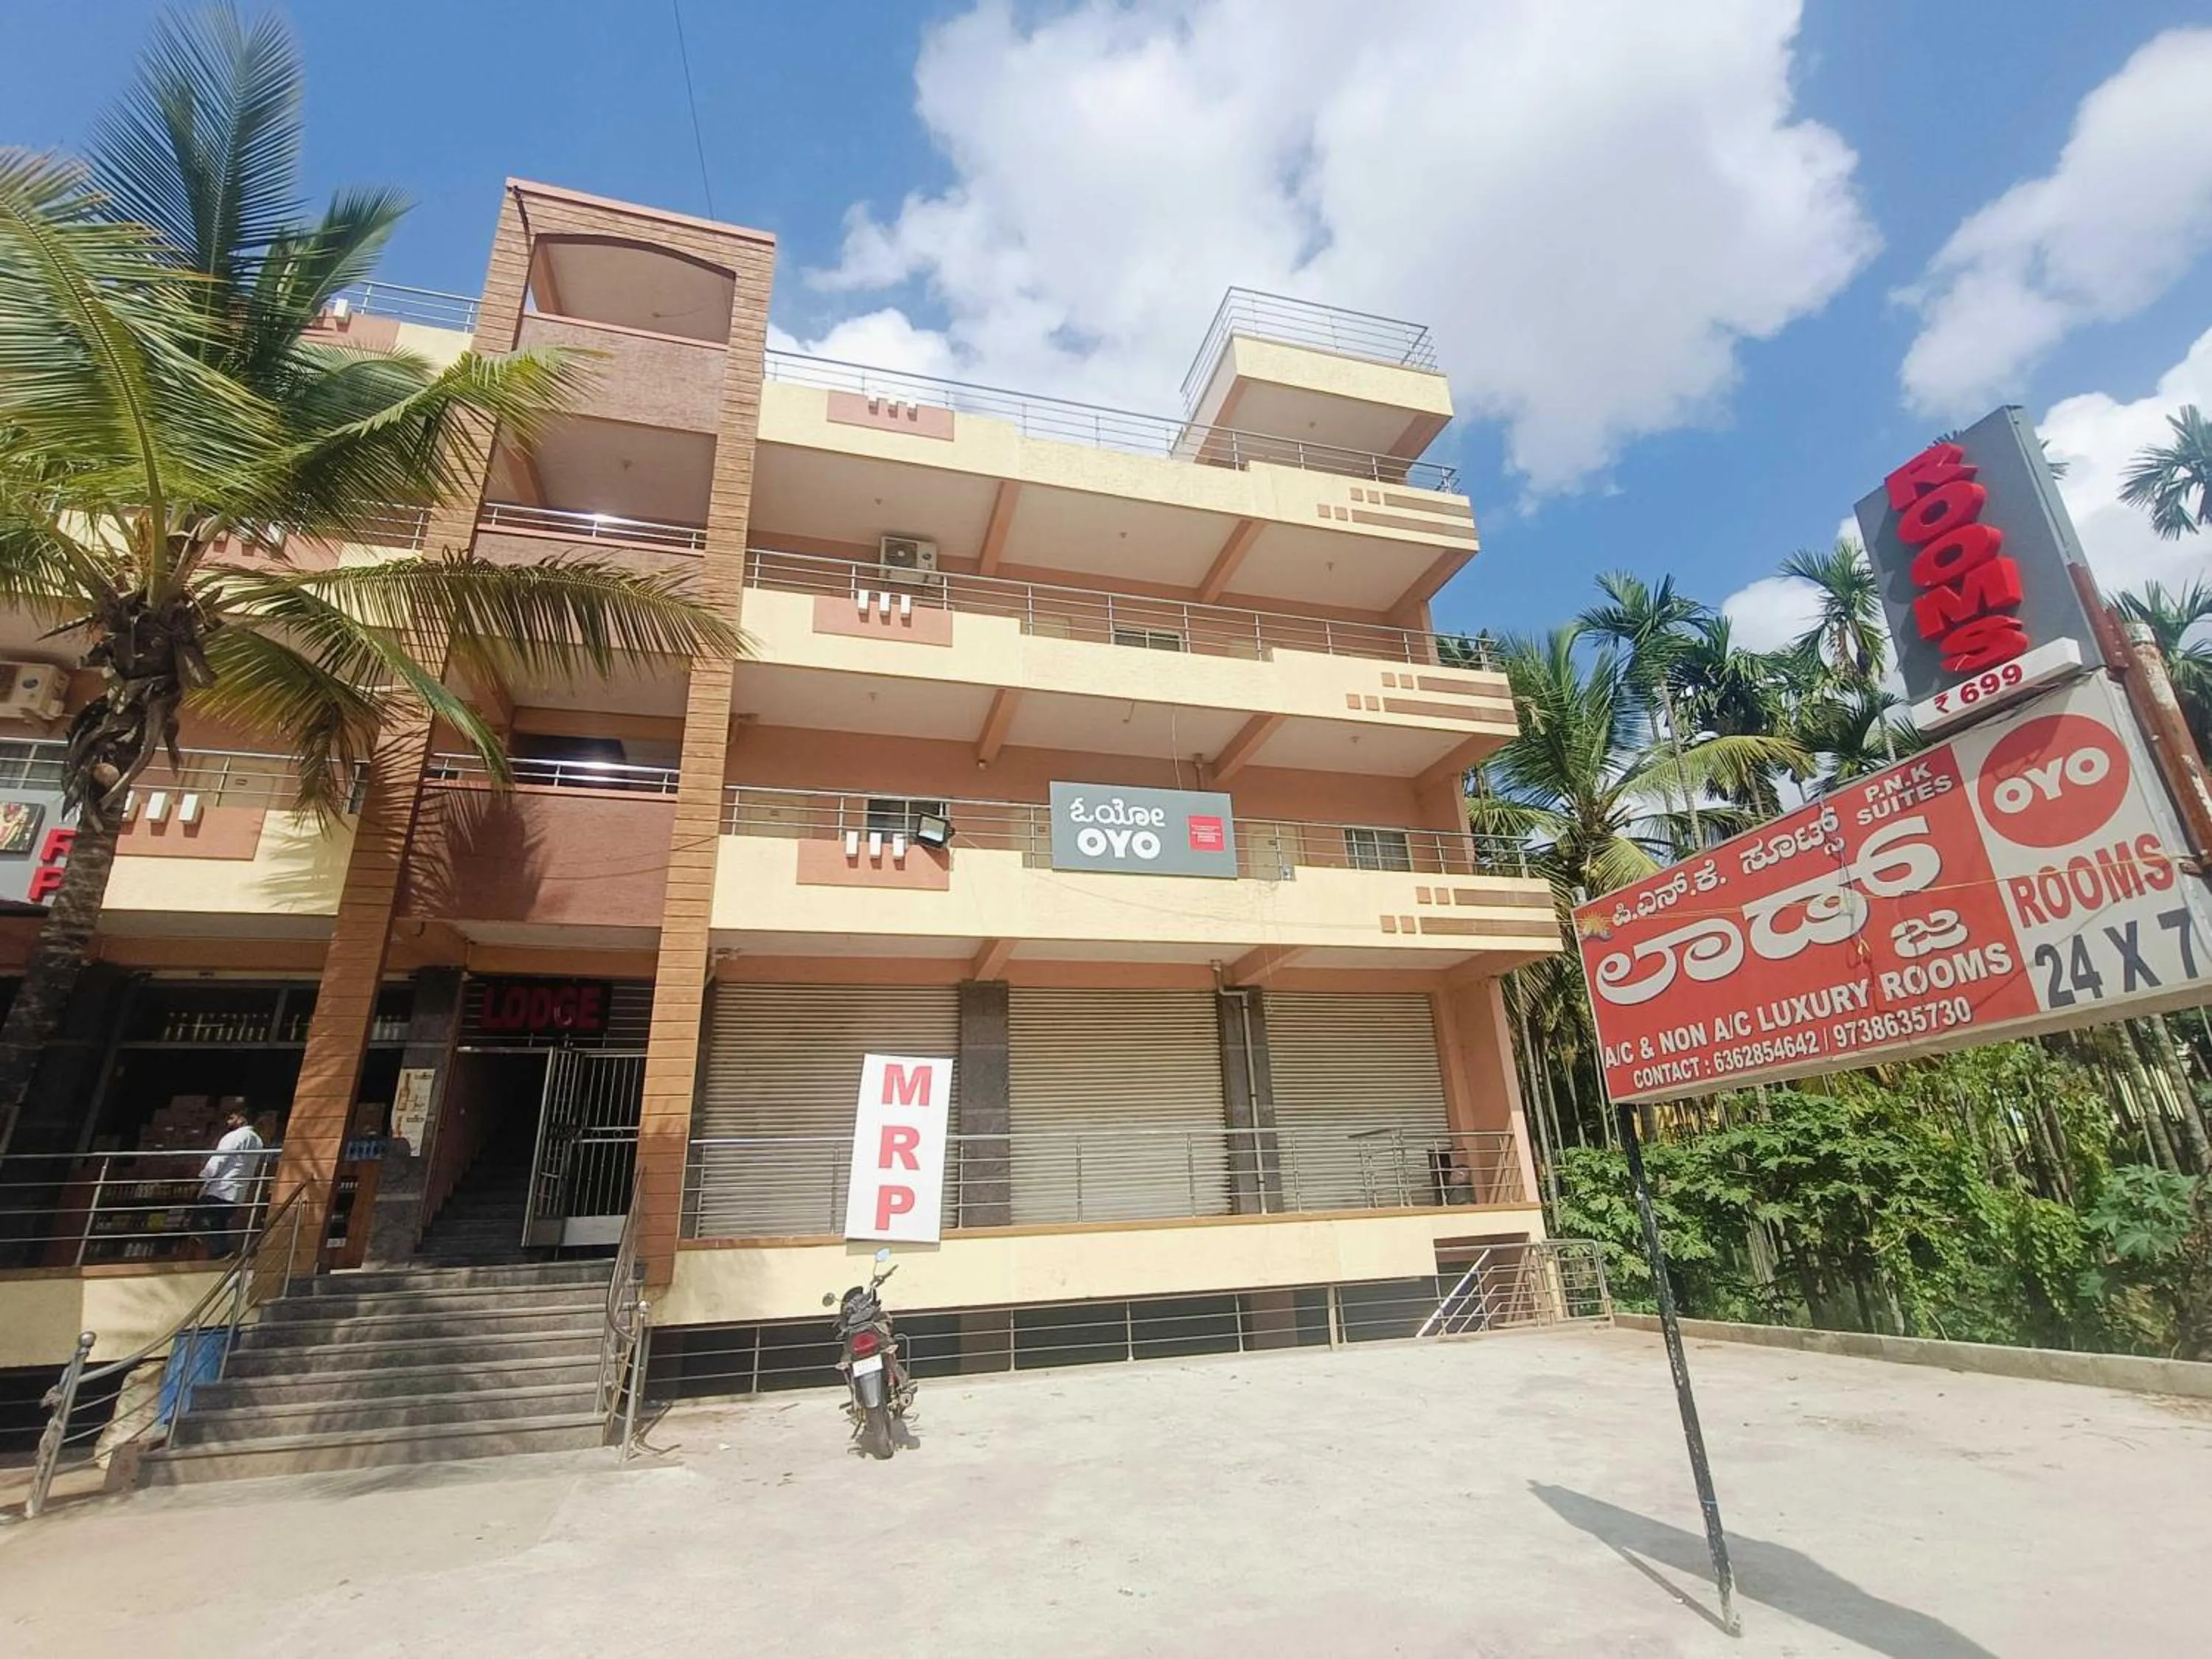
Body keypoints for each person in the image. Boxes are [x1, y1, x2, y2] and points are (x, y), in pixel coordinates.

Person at [193, 1109, 265, 1259]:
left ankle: (221, 1252)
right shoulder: (257, 1140)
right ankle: (218, 1253)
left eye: (232, 1118)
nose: (228, 1122)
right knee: (218, 1222)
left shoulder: (234, 1137)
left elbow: (219, 1159)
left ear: (242, 1119)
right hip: (238, 1190)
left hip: (221, 1187)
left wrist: (203, 1178)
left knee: (202, 1220)